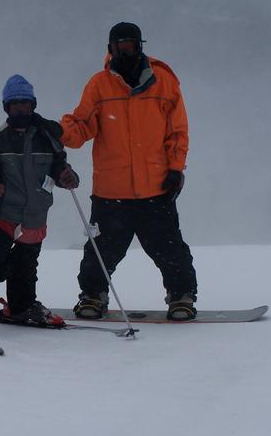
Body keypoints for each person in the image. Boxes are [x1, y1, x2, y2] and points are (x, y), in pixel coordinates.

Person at [60, 22, 198, 321]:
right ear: (109, 49)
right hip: (112, 191)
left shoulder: (164, 82)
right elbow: (83, 125)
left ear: (140, 46)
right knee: (100, 253)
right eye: (118, 46)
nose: (124, 51)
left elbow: (178, 132)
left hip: (157, 189)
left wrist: (176, 168)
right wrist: (59, 131)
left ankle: (181, 297)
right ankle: (93, 296)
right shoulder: (99, 85)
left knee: (170, 249)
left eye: (129, 46)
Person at [0, 74, 79, 337]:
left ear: (33, 104)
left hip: (35, 215)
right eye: (15, 104)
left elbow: (60, 165)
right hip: (6, 214)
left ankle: (21, 306)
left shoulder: (47, 136)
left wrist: (66, 176)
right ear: (6, 107)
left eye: (25, 103)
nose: (21, 109)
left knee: (26, 265)